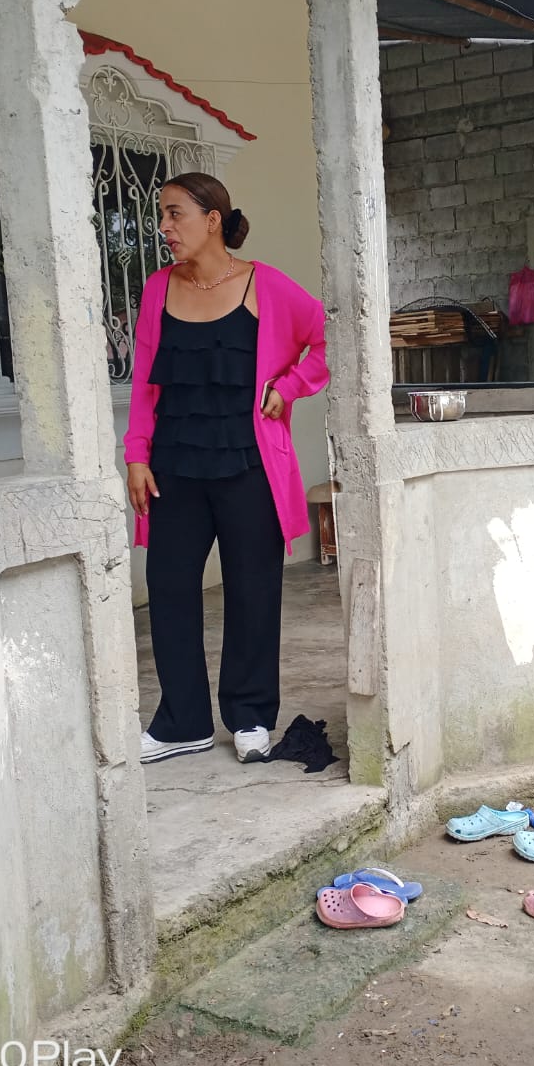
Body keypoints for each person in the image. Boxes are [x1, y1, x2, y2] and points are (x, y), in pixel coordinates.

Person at [123, 175, 328, 766]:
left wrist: (289, 386)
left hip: (250, 467)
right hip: (173, 468)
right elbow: (145, 380)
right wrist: (136, 454)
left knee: (252, 591)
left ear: (213, 219)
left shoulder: (267, 285)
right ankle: (182, 721)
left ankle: (250, 714)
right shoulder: (158, 289)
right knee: (169, 589)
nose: (164, 227)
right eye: (162, 215)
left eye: (175, 214)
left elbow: (327, 339)